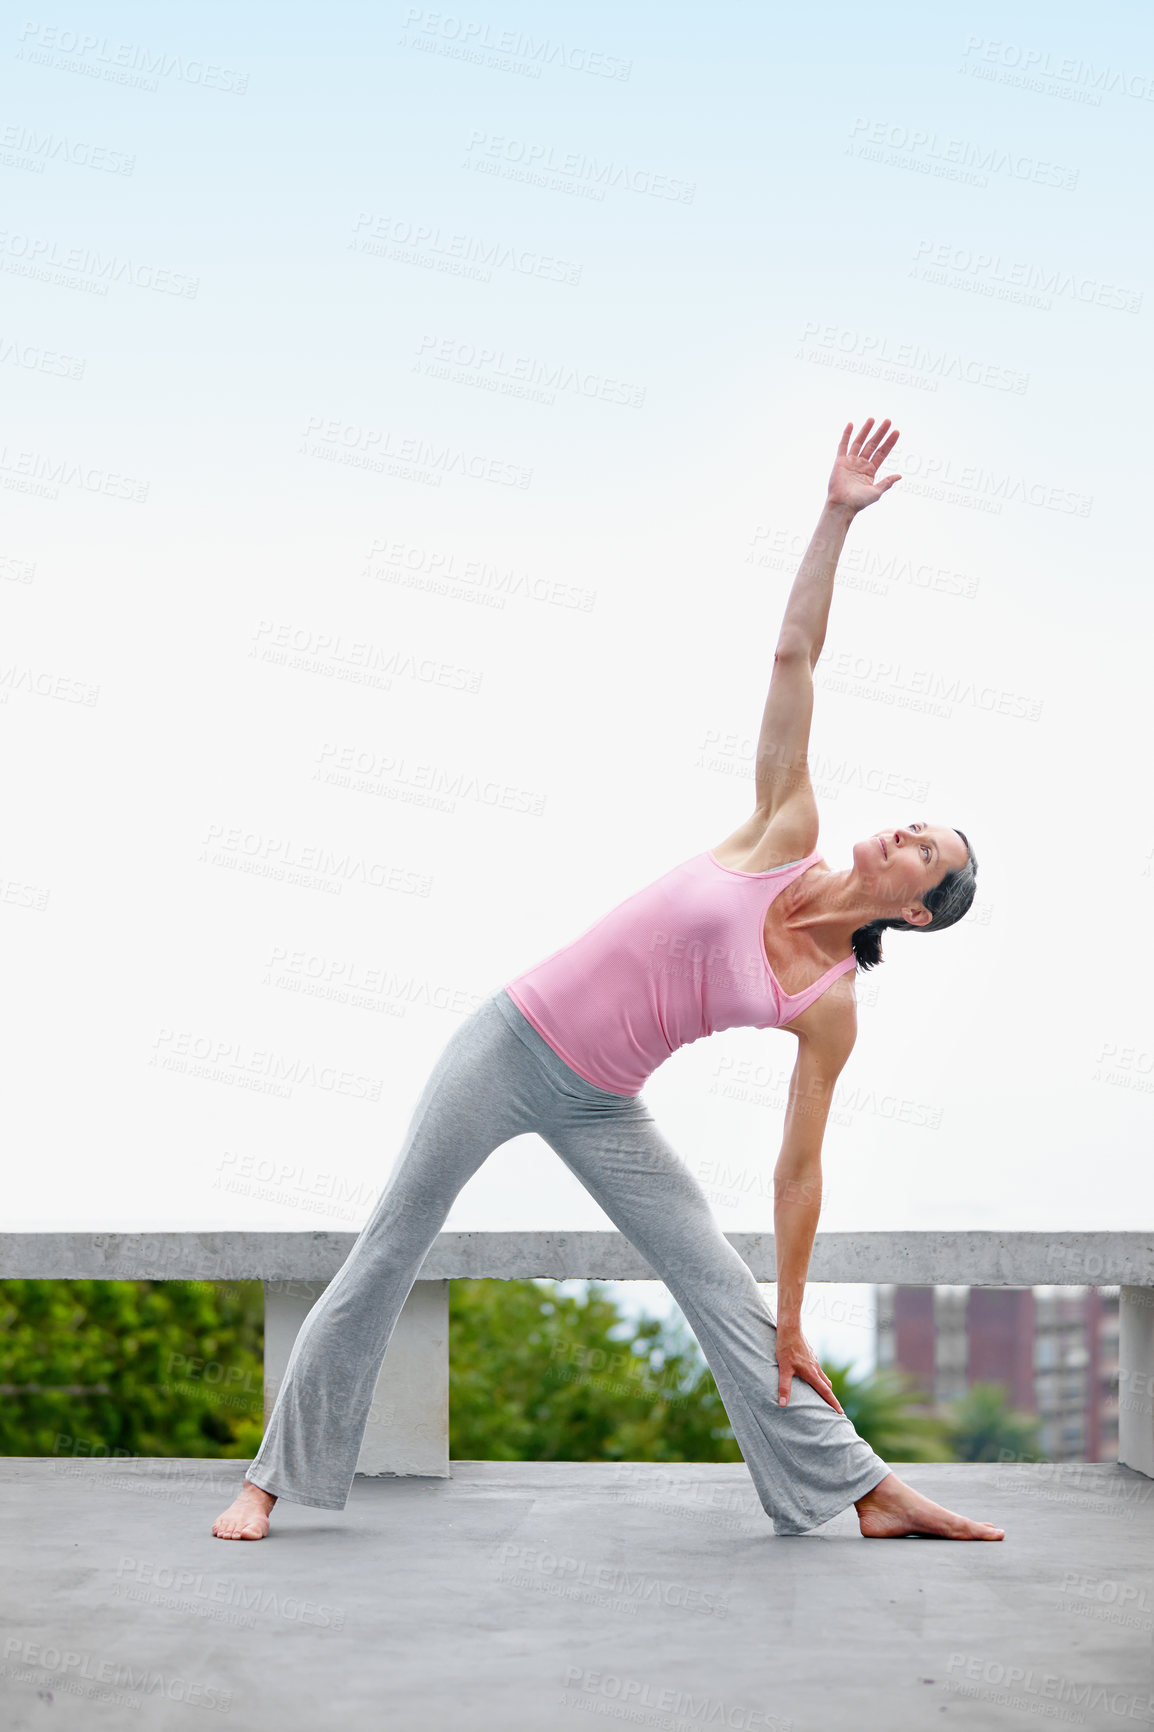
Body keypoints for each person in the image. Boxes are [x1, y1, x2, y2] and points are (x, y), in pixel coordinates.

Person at [213, 416, 1003, 1543]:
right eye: (915, 822)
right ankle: (267, 1481)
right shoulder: (787, 827)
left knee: (720, 1287)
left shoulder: (826, 1004)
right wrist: (835, 515)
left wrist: (790, 1314)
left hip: (601, 1100)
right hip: (508, 1041)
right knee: (391, 1239)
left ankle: (865, 1491)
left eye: (925, 850)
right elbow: (793, 657)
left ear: (917, 910)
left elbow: (796, 1170)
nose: (903, 833)